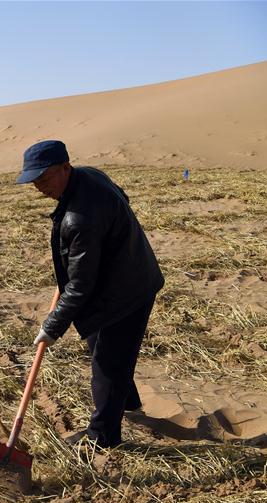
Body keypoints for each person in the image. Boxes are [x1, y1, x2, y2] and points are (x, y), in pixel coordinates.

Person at [16, 140, 164, 449]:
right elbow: (122, 198)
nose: (39, 187)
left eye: (44, 178)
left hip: (128, 291)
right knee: (104, 349)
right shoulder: (88, 176)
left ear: (65, 168)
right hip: (118, 276)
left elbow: (80, 286)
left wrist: (52, 327)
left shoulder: (80, 217)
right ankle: (127, 402)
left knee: (107, 365)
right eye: (34, 181)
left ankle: (103, 437)